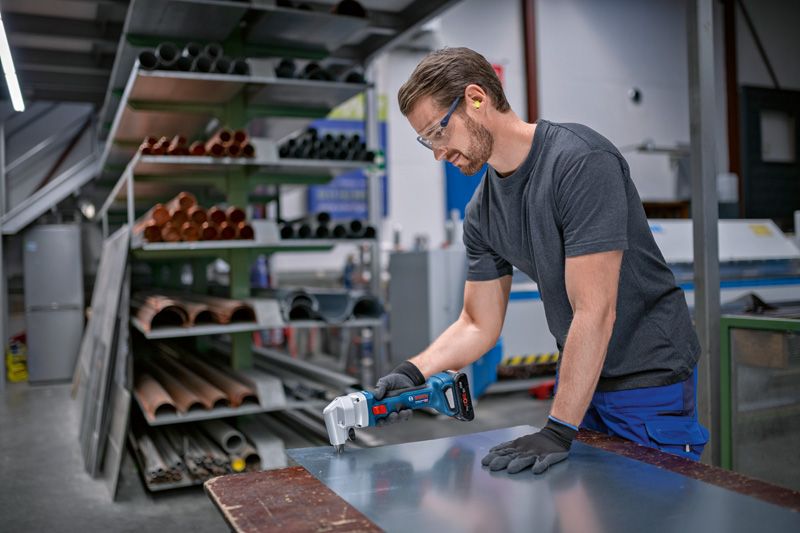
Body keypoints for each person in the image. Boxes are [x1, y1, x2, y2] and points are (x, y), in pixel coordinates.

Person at [374, 47, 708, 475]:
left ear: (476, 98)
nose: (438, 154)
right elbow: (478, 323)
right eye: (427, 143)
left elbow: (595, 311)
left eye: (438, 133)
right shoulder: (483, 212)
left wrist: (557, 427)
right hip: (581, 382)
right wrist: (414, 372)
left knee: (650, 513)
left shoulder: (580, 163)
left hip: (647, 381)